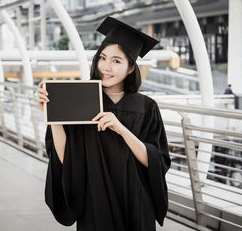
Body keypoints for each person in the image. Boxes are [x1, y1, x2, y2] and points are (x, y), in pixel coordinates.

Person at [37, 17, 170, 231]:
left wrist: (122, 130)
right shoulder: (81, 99)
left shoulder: (147, 107)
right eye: (103, 58)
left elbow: (156, 161)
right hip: (95, 203)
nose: (106, 67)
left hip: (136, 203)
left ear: (130, 68)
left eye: (116, 61)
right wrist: (53, 116)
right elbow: (65, 157)